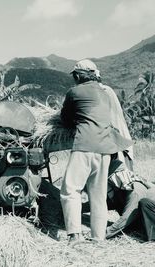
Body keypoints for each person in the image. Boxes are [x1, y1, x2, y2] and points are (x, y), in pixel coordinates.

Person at [60, 59, 133, 243]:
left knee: (70, 189)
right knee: (98, 194)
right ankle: (98, 238)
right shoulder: (106, 93)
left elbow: (65, 119)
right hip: (106, 149)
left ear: (77, 76)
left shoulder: (74, 92)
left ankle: (75, 235)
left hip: (85, 146)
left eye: (74, 76)